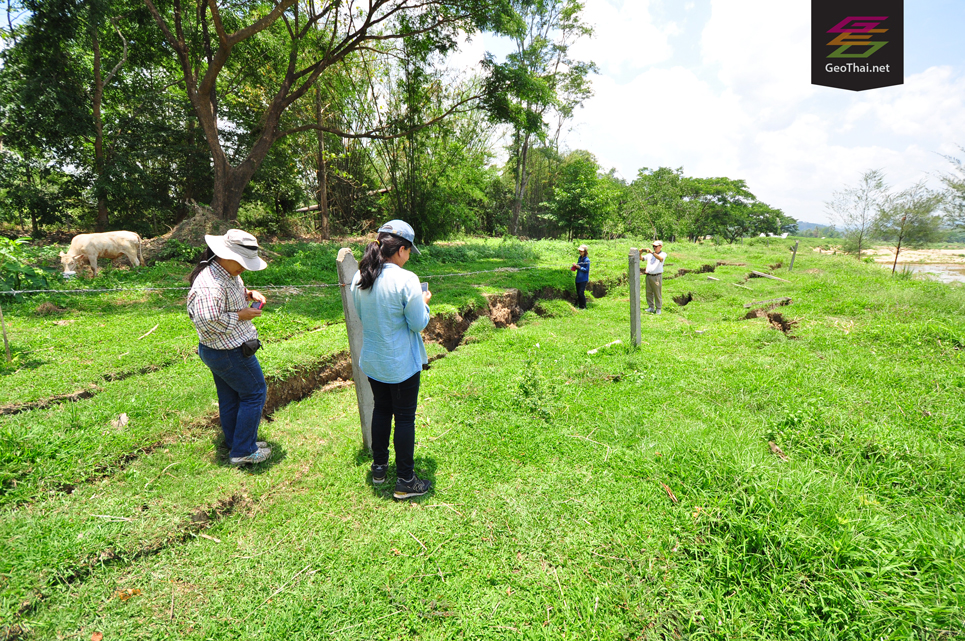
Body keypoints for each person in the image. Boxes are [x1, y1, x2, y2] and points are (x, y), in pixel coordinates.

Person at [351, 220, 434, 500]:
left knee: (382, 410)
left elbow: (363, 317)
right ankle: (406, 480)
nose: (409, 257)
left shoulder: (360, 276)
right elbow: (417, 323)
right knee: (405, 418)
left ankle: (379, 467)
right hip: (400, 364)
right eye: (409, 251)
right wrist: (423, 301)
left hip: (374, 361)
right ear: (400, 249)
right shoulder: (406, 279)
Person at [187, 229, 271, 465]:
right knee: (255, 393)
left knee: (231, 397)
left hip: (221, 351)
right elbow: (207, 322)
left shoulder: (225, 273)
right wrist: (240, 316)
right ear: (224, 255)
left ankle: (236, 441)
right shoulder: (210, 285)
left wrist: (247, 294)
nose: (243, 268)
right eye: (241, 263)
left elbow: (227, 298)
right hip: (229, 352)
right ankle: (244, 450)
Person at [641, 240, 667, 314]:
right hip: (648, 275)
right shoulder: (649, 255)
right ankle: (651, 307)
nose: (654, 247)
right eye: (653, 246)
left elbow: (660, 259)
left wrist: (652, 252)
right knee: (649, 292)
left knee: (657, 293)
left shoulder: (663, 254)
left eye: (656, 246)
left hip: (656, 276)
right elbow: (642, 258)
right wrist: (640, 252)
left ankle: (658, 308)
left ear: (660, 246)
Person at [573, 244, 590, 309]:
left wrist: (579, 267)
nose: (580, 252)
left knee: (581, 293)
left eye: (581, 251)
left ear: (585, 252)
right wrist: (575, 267)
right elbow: (578, 265)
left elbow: (586, 269)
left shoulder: (587, 260)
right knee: (578, 293)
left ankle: (583, 306)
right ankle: (580, 306)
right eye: (579, 251)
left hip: (583, 279)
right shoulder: (580, 258)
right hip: (578, 278)